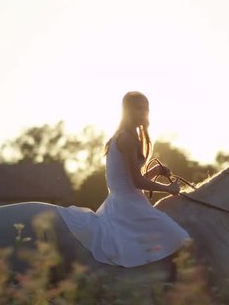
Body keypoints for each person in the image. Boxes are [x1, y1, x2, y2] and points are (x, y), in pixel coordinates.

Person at [57, 91, 190, 268]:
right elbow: (136, 182)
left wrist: (155, 170)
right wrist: (169, 189)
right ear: (128, 111)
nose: (144, 112)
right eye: (139, 108)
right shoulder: (127, 139)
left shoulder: (121, 136)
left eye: (146, 108)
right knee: (178, 236)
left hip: (122, 201)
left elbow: (129, 179)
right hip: (128, 204)